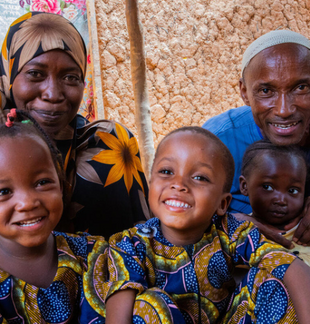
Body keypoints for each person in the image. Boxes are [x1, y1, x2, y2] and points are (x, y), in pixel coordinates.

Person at [104, 126, 310, 324]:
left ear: (222, 204)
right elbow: (119, 316)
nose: (179, 184)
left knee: (274, 278)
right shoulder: (130, 245)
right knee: (147, 305)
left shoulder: (231, 232)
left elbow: (290, 265)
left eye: (199, 177)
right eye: (166, 171)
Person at [0, 11, 149, 239]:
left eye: (71, 77)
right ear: (9, 78)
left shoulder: (107, 142)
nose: (53, 94)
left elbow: (141, 242)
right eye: (35, 74)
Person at [0, 109, 107, 322]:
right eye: (4, 192)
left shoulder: (92, 254)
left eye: (42, 182)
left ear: (60, 185)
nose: (27, 203)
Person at [203, 29, 310, 247]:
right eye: (266, 91)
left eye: (301, 88)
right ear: (244, 91)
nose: (284, 109)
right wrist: (230, 223)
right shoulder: (218, 141)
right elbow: (176, 210)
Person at [239, 139, 310, 265]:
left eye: (292, 190)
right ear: (245, 186)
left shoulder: (306, 232)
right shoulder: (236, 233)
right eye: (267, 187)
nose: (281, 200)